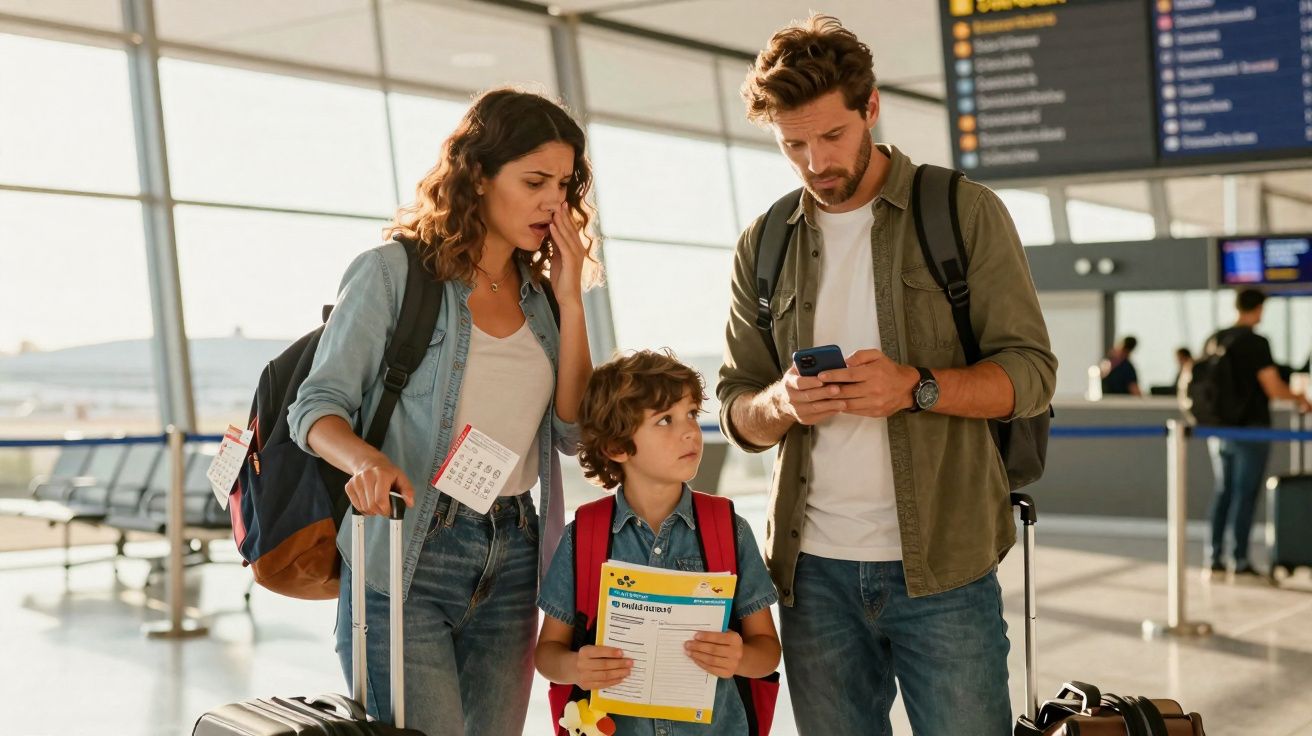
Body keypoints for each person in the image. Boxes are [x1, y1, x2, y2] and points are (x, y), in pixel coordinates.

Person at [717, 15, 1056, 736]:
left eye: (831, 136)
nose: (815, 161)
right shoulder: (766, 242)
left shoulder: (961, 211)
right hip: (811, 579)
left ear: (870, 108)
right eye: (793, 145)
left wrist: (916, 387)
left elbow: (1030, 374)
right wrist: (778, 402)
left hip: (945, 567)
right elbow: (735, 408)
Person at [287, 88, 601, 736]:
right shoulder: (391, 274)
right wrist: (366, 460)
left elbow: (573, 432)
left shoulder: (544, 299)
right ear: (478, 177)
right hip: (408, 546)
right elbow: (315, 407)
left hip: (512, 551)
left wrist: (572, 299)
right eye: (534, 180)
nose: (553, 202)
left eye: (564, 185)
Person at [535, 350, 781, 735]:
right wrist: (576, 666)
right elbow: (548, 653)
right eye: (665, 420)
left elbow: (766, 651)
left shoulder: (727, 529)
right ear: (617, 448)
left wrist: (739, 658)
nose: (689, 432)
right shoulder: (583, 535)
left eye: (691, 415)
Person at [1204, 289, 1311, 581]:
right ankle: (1239, 561)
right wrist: (1301, 398)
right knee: (1244, 495)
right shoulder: (1256, 342)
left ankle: (1213, 559)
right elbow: (1273, 387)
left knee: (1223, 492)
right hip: (1249, 429)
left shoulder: (1216, 338)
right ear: (1259, 308)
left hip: (1219, 430)